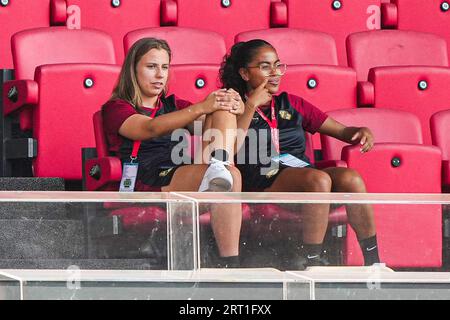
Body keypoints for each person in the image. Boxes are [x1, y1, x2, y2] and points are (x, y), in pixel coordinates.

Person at [220, 39, 381, 269]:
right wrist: (251, 106)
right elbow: (229, 147)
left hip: (300, 174)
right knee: (318, 179)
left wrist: (360, 131)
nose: (275, 73)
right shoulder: (233, 104)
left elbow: (343, 131)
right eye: (265, 67)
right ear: (245, 73)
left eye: (277, 65)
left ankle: (374, 262)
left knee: (350, 178)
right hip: (261, 177)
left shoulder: (291, 103)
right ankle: (313, 261)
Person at [102, 38, 243, 268]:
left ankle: (229, 263)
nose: (159, 75)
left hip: (181, 173)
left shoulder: (174, 104)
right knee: (232, 176)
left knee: (224, 113)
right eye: (151, 67)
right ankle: (230, 263)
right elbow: (149, 128)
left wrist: (238, 106)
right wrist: (201, 107)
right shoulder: (117, 107)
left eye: (165, 67)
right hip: (147, 178)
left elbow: (210, 125)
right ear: (133, 69)